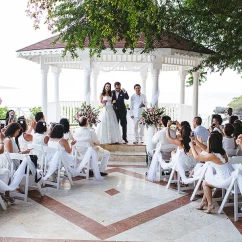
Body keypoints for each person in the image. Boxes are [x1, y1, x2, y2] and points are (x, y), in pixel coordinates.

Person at [190, 131, 232, 214]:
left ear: (212, 143)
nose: (207, 141)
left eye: (208, 140)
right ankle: (204, 202)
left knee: (205, 183)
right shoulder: (221, 152)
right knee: (208, 181)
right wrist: (197, 142)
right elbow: (206, 149)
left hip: (224, 180)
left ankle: (210, 204)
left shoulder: (213, 156)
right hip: (228, 176)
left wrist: (192, 146)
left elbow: (197, 157)